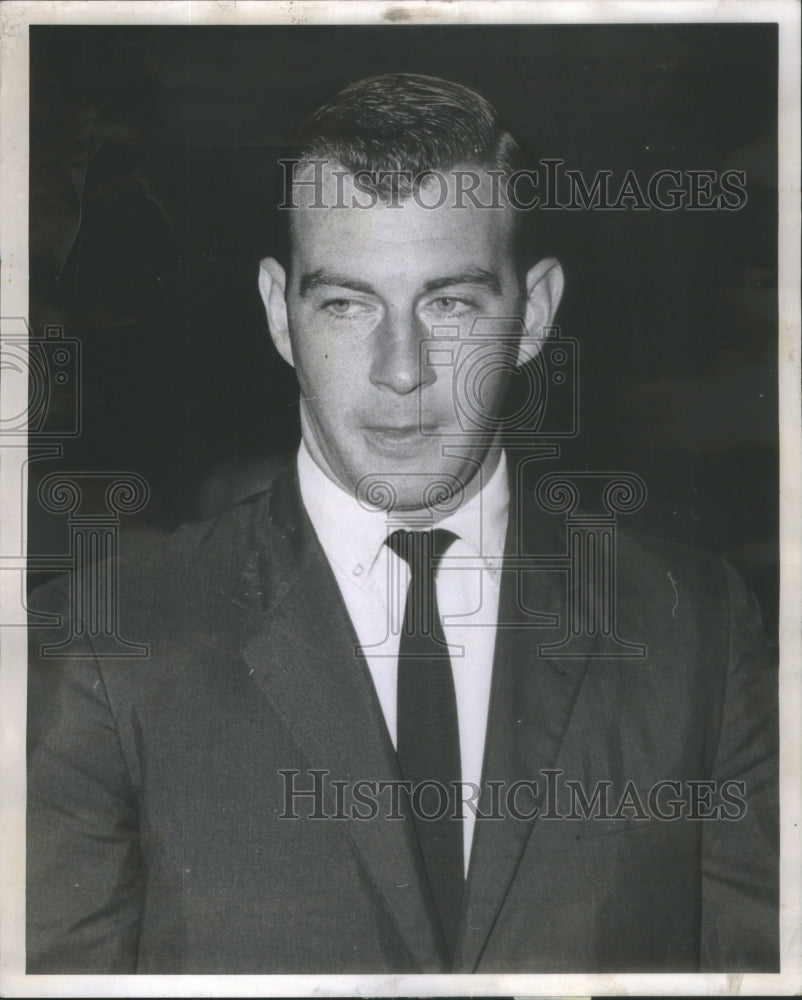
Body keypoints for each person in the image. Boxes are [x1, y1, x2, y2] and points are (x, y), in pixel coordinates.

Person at [26, 73, 778, 975]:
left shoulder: (696, 625)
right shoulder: (106, 644)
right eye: (346, 304)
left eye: (449, 303)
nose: (401, 369)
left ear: (533, 313)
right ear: (280, 313)